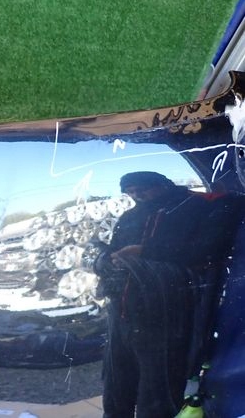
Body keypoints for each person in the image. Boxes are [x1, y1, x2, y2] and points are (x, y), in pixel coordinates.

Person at [94, 171, 242, 418]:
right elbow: (112, 249)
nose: (137, 196)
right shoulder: (129, 216)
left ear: (162, 185)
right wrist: (107, 260)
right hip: (122, 310)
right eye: (131, 192)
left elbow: (209, 249)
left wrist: (145, 251)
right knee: (116, 382)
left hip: (168, 312)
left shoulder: (198, 205)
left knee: (158, 389)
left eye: (142, 190)